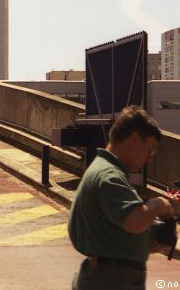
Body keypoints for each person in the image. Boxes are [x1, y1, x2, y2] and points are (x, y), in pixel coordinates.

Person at [68, 105, 174, 290]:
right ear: (133, 139)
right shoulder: (110, 176)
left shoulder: (101, 169)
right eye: (149, 149)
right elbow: (135, 221)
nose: (149, 158)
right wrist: (157, 205)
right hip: (112, 280)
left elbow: (110, 233)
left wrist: (145, 243)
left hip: (105, 275)